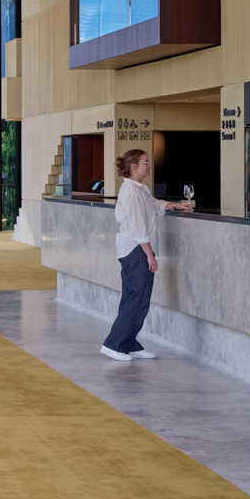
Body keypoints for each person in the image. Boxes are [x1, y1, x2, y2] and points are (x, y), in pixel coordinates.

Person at [101, 149, 191, 362]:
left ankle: (129, 343)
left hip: (135, 249)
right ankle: (114, 344)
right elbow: (137, 227)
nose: (149, 166)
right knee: (137, 299)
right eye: (146, 162)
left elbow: (155, 204)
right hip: (136, 250)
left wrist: (175, 206)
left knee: (135, 299)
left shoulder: (139, 189)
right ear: (134, 166)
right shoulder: (132, 191)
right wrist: (150, 254)